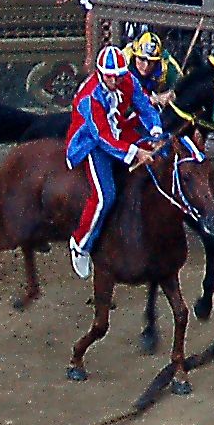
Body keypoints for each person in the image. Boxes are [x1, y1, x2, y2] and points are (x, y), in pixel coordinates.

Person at [64, 43, 162, 281]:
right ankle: (80, 243)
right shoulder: (89, 97)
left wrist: (156, 132)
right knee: (104, 195)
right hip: (91, 143)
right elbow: (103, 137)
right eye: (110, 77)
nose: (115, 81)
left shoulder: (128, 79)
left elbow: (145, 106)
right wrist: (137, 152)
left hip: (118, 131)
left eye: (118, 76)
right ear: (100, 74)